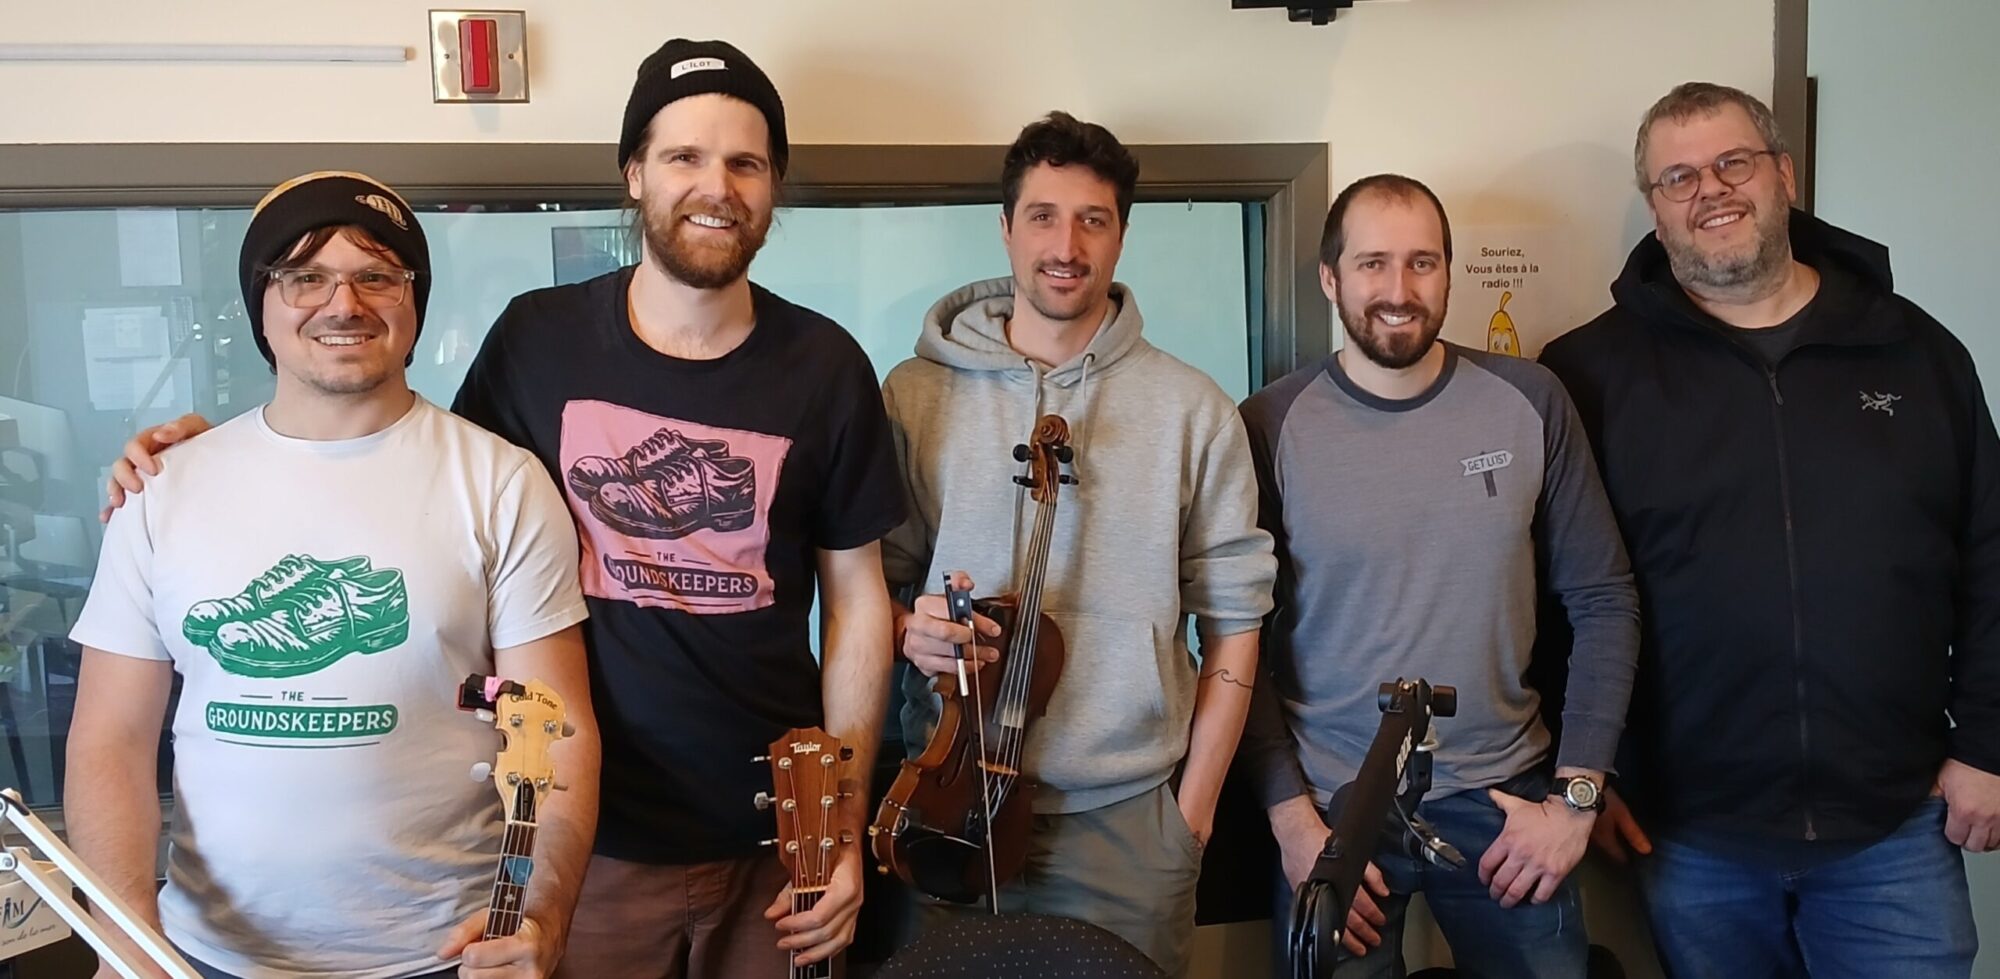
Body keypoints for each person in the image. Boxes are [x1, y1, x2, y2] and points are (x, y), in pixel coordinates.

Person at [103, 40, 904, 978]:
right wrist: (210, 459)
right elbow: (403, 470)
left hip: (775, 828)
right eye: (685, 155)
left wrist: (840, 823)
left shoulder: (826, 366)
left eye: (745, 163)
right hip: (586, 840)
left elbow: (857, 605)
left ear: (773, 186)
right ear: (635, 172)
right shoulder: (538, 338)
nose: (715, 186)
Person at [67, 171, 599, 979]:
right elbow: (112, 736)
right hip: (203, 956)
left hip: (444, 953)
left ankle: (344, 599)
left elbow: (556, 733)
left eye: (377, 275)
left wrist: (542, 909)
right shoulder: (164, 487)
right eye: (304, 277)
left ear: (413, 302)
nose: (343, 303)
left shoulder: (502, 483)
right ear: (262, 307)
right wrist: (124, 934)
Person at [1538, 81, 1996, 978]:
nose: (1709, 189)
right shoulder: (1589, 374)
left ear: (1784, 173)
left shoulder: (1918, 352)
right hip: (1690, 834)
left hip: (1896, 821)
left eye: (1733, 162)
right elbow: (1559, 596)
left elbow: (1992, 557)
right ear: (1655, 207)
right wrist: (1592, 771)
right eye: (1678, 177)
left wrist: (1988, 743)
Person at [882, 111, 1277, 978]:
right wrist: (909, 631)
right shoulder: (914, 394)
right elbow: (870, 588)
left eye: (1093, 220)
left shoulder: (1194, 409)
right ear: (1006, 227)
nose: (1066, 246)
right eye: (1043, 216)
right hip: (949, 801)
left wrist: (1191, 817)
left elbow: (1236, 621)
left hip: (1126, 825)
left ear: (1121, 235)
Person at [1239, 174, 1639, 978]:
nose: (1399, 289)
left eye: (1422, 263)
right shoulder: (1270, 424)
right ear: (1331, 279)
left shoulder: (1530, 399)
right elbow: (1232, 636)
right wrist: (1290, 820)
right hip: (1334, 809)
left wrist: (1577, 797)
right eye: (1373, 263)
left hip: (1506, 800)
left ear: (1449, 273)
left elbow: (1604, 600)